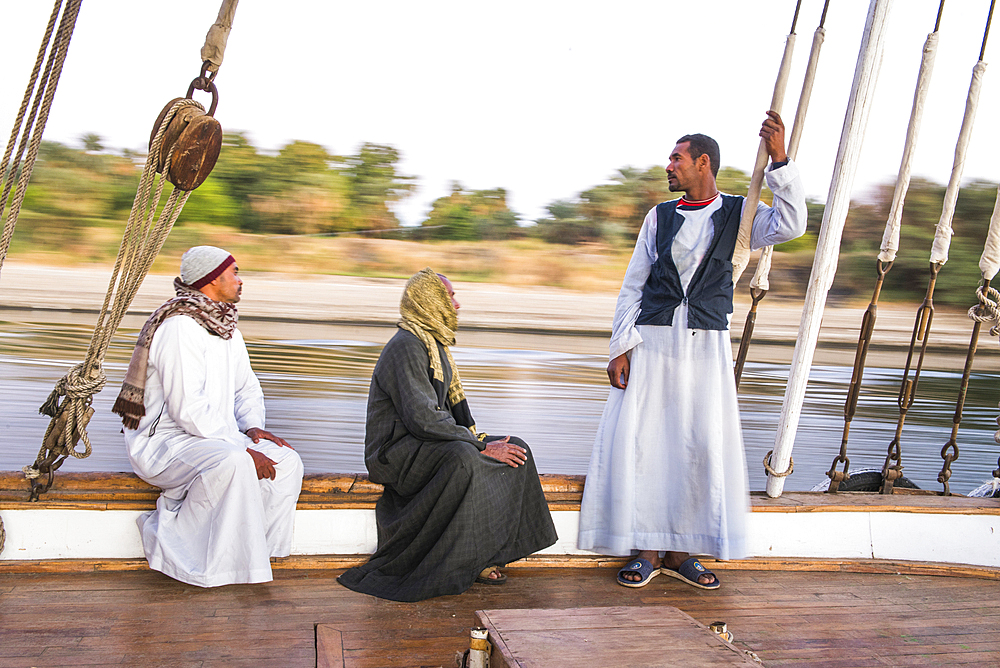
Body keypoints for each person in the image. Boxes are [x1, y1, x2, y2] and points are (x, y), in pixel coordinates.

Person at [577, 112, 807, 589]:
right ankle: (645, 550)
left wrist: (780, 158)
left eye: (676, 158)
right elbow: (632, 286)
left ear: (703, 162)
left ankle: (682, 553)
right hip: (653, 342)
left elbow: (792, 223)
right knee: (647, 444)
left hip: (705, 347)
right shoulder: (658, 216)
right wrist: (620, 347)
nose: (669, 165)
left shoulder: (741, 214)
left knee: (698, 444)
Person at [337, 268, 558, 602]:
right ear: (430, 300)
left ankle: (490, 553)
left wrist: (480, 441)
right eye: (449, 296)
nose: (456, 305)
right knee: (465, 458)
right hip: (395, 453)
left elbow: (450, 416)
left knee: (516, 448)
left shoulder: (435, 345)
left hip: (423, 442)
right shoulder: (406, 346)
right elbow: (422, 417)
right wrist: (480, 445)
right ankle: (461, 561)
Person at [113, 246, 303, 587]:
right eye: (234, 273)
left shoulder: (227, 328)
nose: (240, 281)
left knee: (286, 461)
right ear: (212, 278)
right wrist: (242, 448)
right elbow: (187, 410)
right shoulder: (179, 328)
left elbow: (247, 388)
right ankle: (175, 548)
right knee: (234, 462)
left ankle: (259, 555)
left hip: (215, 436)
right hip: (166, 444)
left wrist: (254, 428)